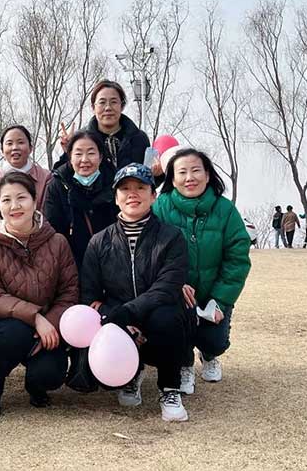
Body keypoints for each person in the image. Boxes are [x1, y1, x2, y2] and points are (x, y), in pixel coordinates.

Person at [82, 163, 190, 422]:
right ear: (116, 198)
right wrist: (118, 321)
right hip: (119, 317)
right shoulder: (99, 241)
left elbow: (167, 287)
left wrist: (127, 314)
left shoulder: (172, 237)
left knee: (166, 318)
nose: (132, 194)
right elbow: (89, 294)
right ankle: (131, 374)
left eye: (141, 187)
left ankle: (170, 389)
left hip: (157, 314)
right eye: (125, 189)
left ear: (153, 196)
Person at [0, 172, 78, 419]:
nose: (15, 206)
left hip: (48, 325)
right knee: (13, 332)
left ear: (34, 200)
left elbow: (69, 291)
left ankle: (35, 386)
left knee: (50, 374)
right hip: (2, 327)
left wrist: (50, 323)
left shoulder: (57, 242)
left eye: (21, 198)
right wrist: (35, 318)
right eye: (6, 200)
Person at [152, 148, 251, 397]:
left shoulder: (225, 209)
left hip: (212, 294)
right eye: (182, 172)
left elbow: (237, 259)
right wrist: (172, 286)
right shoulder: (160, 207)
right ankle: (184, 364)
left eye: (196, 170)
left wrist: (220, 300)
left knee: (215, 342)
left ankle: (209, 355)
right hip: (176, 294)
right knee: (176, 331)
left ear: (207, 175)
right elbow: (151, 254)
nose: (189, 178)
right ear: (172, 178)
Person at [44, 131, 118, 268]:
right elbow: (52, 229)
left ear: (100, 157)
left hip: (113, 263)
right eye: (78, 154)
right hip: (72, 264)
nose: (84, 160)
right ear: (70, 157)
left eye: (91, 153)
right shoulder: (58, 185)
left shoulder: (115, 183)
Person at [58, 80, 151, 174]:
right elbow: (62, 177)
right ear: (93, 107)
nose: (108, 108)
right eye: (102, 102)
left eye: (113, 102)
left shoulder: (139, 138)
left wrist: (157, 174)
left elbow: (148, 176)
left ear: (122, 106)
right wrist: (68, 152)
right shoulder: (80, 140)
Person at [0, 125, 51, 211]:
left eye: (20, 142)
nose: (15, 147)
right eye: (9, 143)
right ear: (2, 150)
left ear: (30, 148)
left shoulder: (46, 178)